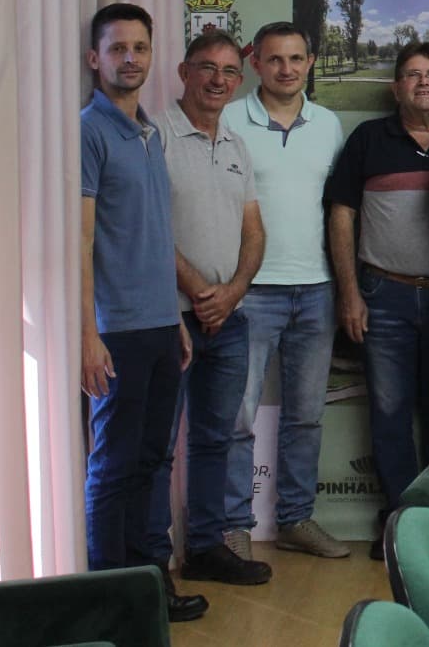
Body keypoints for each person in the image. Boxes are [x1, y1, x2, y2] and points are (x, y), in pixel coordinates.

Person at [80, 3, 205, 622]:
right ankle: (110, 605)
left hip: (160, 326)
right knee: (113, 467)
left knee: (153, 461)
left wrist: (176, 319)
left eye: (140, 48)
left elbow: (152, 236)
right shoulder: (89, 130)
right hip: (117, 332)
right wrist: (87, 335)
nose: (130, 59)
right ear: (94, 59)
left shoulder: (152, 133)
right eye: (117, 48)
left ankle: (149, 590)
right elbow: (81, 242)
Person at [326, 40, 429, 557]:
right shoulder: (368, 139)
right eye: (412, 74)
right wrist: (349, 294)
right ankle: (400, 522)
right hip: (382, 294)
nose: (424, 82)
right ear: (396, 87)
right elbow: (341, 215)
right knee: (388, 413)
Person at [147, 31, 272, 589]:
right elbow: (149, 230)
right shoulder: (154, 138)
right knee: (157, 447)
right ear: (182, 72)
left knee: (215, 439)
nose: (218, 80)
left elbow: (253, 228)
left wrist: (235, 290)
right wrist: (203, 292)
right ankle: (152, 564)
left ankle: (205, 548)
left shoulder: (237, 145)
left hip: (229, 318)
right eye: (207, 68)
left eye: (228, 71)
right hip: (171, 318)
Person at [221, 22, 349, 560]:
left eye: (297, 59)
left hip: (315, 290)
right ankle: (230, 526)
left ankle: (296, 519)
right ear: (256, 63)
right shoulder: (228, 118)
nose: (287, 69)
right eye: (275, 60)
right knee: (237, 416)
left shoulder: (329, 124)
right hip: (248, 293)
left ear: (311, 61)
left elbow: (338, 211)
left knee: (305, 415)